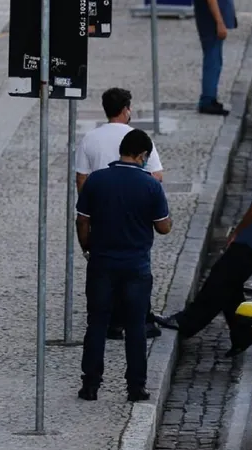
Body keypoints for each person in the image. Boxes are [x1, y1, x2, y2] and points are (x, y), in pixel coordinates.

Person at [154, 125, 252, 357]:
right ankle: (242, 336)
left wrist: (237, 231)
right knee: (230, 287)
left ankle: (187, 322)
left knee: (218, 282)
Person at [75, 129, 173, 402]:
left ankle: (90, 385)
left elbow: (82, 220)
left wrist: (87, 247)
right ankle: (135, 387)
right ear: (142, 155)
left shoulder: (97, 180)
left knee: (96, 323)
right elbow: (163, 227)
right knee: (135, 326)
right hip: (136, 267)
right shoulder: (151, 186)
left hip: (102, 263)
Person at [76, 87, 164, 341]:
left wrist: (89, 208)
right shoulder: (137, 137)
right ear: (126, 109)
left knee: (104, 269)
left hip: (101, 211)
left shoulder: (90, 138)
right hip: (135, 211)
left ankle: (111, 322)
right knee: (137, 266)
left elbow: (81, 178)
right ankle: (140, 319)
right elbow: (156, 175)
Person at [194, 0, 237, 115]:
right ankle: (207, 100)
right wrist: (219, 21)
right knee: (212, 60)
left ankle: (210, 97)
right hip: (210, 20)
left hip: (209, 17)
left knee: (215, 59)